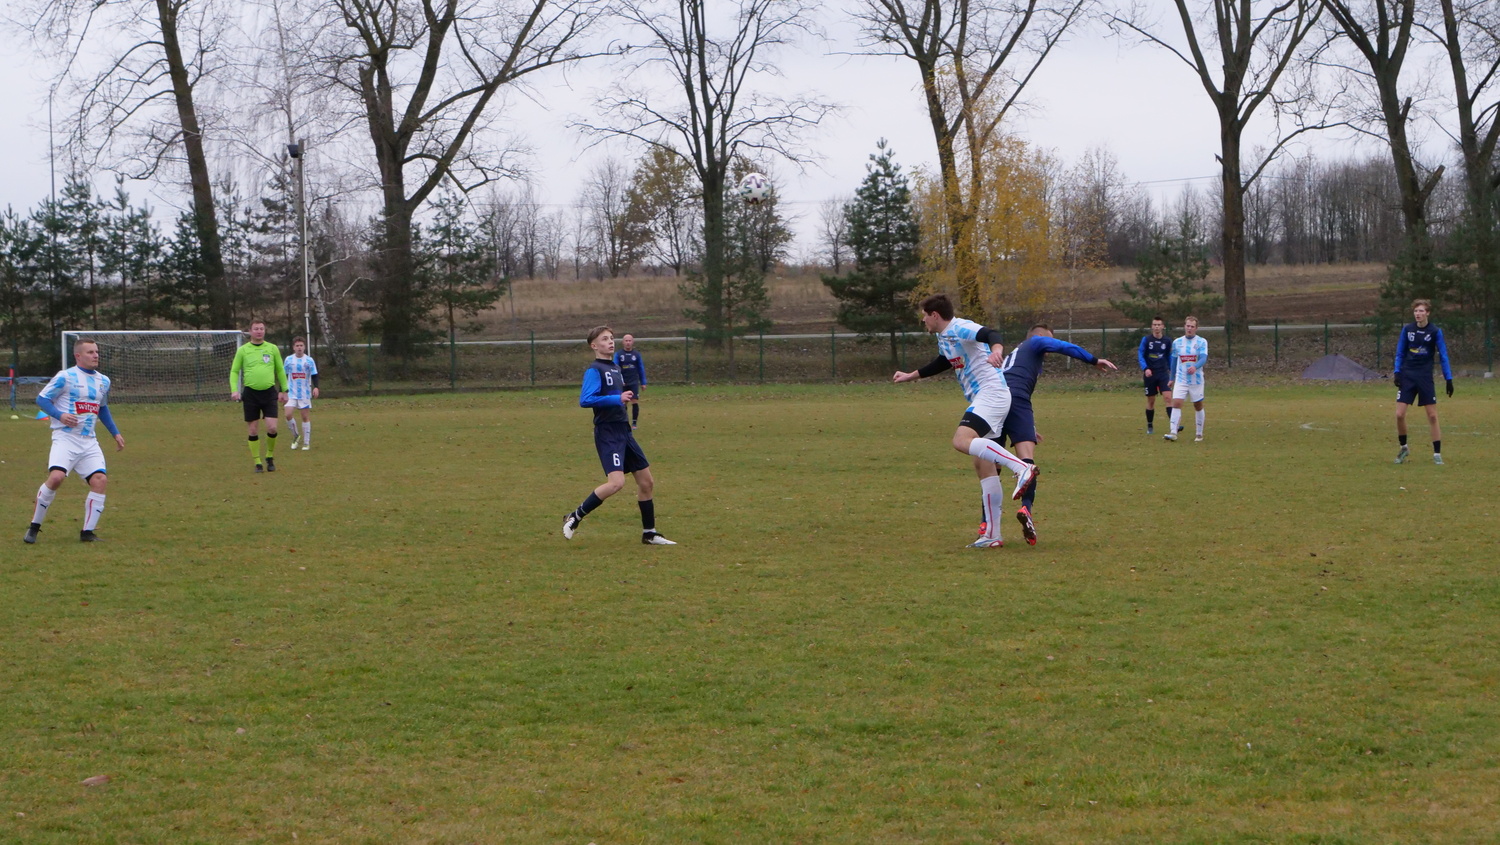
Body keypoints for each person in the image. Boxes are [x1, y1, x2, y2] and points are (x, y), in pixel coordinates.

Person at [893, 293, 1038, 549]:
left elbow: (991, 334)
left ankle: (1021, 468)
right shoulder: (944, 336)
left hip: (991, 393)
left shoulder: (960, 327)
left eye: (924, 316)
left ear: (935, 315)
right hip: (987, 396)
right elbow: (943, 361)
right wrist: (910, 376)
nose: (923, 321)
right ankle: (992, 534)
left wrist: (996, 351)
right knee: (983, 464)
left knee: (961, 440)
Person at [987, 325, 1117, 545]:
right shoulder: (1035, 342)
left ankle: (987, 525)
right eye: (1049, 341)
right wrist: (1093, 360)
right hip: (1017, 399)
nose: (1049, 349)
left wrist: (1027, 426)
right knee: (1027, 462)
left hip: (996, 401)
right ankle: (1026, 509)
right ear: (1039, 337)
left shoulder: (1014, 356)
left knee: (993, 466)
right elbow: (1064, 347)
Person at [562, 326, 677, 545]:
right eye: (605, 339)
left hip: (624, 431)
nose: (610, 342)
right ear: (594, 345)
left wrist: (622, 396)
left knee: (647, 482)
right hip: (608, 432)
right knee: (616, 483)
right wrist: (617, 399)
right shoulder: (594, 370)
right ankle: (574, 517)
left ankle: (649, 534)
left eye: (611, 338)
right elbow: (586, 400)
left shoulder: (615, 367)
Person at [24, 339, 125, 543]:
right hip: (65, 438)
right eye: (90, 352)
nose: (95, 355)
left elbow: (102, 408)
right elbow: (42, 399)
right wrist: (60, 415)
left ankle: (87, 533)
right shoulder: (65, 377)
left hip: (89, 441)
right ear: (78, 356)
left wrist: (115, 433)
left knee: (100, 480)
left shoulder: (103, 381)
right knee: (56, 478)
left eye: (96, 351)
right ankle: (34, 527)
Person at [1393, 298, 1453, 465]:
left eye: (1421, 311)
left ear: (1427, 313)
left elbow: (1443, 355)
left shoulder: (1435, 331)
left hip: (1425, 377)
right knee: (1399, 414)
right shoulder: (1407, 330)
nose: (1417, 314)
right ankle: (1404, 448)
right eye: (1415, 311)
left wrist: (1448, 378)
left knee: (1432, 416)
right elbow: (1400, 353)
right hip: (1408, 376)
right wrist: (1397, 372)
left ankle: (1437, 454)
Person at [229, 319, 289, 472]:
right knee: (253, 430)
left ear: (264, 330)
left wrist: (284, 390)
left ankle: (269, 456)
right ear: (250, 331)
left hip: (269, 393)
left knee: (272, 428)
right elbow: (234, 371)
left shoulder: (272, 348)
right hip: (251, 394)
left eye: (261, 328)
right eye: (256, 329)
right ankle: (257, 462)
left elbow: (280, 370)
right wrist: (234, 390)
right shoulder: (243, 350)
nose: (259, 331)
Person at [1165, 316, 1208, 443]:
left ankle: (1199, 433)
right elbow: (1174, 361)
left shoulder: (1201, 342)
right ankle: (1173, 432)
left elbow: (1203, 358)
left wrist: (1195, 366)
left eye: (1192, 326)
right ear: (1184, 326)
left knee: (1198, 405)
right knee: (1176, 403)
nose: (1189, 328)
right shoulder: (1177, 342)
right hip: (1181, 379)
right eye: (1188, 326)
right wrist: (1171, 378)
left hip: (1196, 380)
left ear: (1196, 328)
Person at [283, 337, 319, 451]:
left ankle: (306, 443)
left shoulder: (309, 360)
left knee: (304, 417)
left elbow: (314, 375)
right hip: (291, 393)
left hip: (304, 393)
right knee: (288, 414)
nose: (299, 348)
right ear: (293, 347)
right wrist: (282, 391)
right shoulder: (288, 360)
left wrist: (316, 387)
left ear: (304, 347)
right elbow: (283, 375)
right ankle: (296, 436)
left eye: (301, 346)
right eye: (297, 346)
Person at [1138, 317, 1172, 434]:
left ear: (1163, 326)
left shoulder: (1167, 341)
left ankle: (1173, 426)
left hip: (1163, 373)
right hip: (1150, 374)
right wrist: (1145, 368)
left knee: (1168, 398)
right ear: (1152, 326)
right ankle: (1150, 426)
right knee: (1151, 401)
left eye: (1159, 325)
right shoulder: (1146, 340)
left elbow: (1169, 356)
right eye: (1155, 325)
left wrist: (1172, 370)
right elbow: (1140, 354)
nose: (1157, 327)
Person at [613, 333, 647, 429]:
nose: (628, 342)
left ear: (633, 342)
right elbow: (615, 368)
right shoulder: (619, 354)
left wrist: (643, 382)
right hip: (623, 382)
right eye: (626, 341)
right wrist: (619, 380)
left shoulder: (636, 355)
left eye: (629, 340)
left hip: (633, 382)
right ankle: (624, 422)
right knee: (623, 402)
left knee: (634, 401)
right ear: (623, 342)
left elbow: (641, 369)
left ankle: (634, 423)